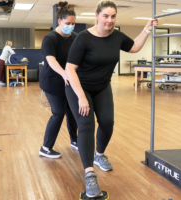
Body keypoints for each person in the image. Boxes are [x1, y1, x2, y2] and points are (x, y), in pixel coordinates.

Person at [65, 0, 158, 197]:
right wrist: (81, 97)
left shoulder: (117, 36)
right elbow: (70, 69)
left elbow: (133, 47)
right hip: (78, 88)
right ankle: (89, 175)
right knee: (87, 125)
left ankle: (99, 155)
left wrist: (146, 30)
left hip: (102, 87)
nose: (109, 20)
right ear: (97, 16)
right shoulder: (83, 38)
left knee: (107, 122)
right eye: (105, 16)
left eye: (113, 16)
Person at [38, 1, 78, 159]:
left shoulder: (75, 37)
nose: (71, 26)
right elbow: (51, 60)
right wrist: (63, 73)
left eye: (73, 23)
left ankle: (75, 141)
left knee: (72, 112)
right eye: (68, 23)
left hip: (69, 80)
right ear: (59, 21)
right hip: (52, 81)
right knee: (58, 113)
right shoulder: (50, 38)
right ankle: (45, 148)